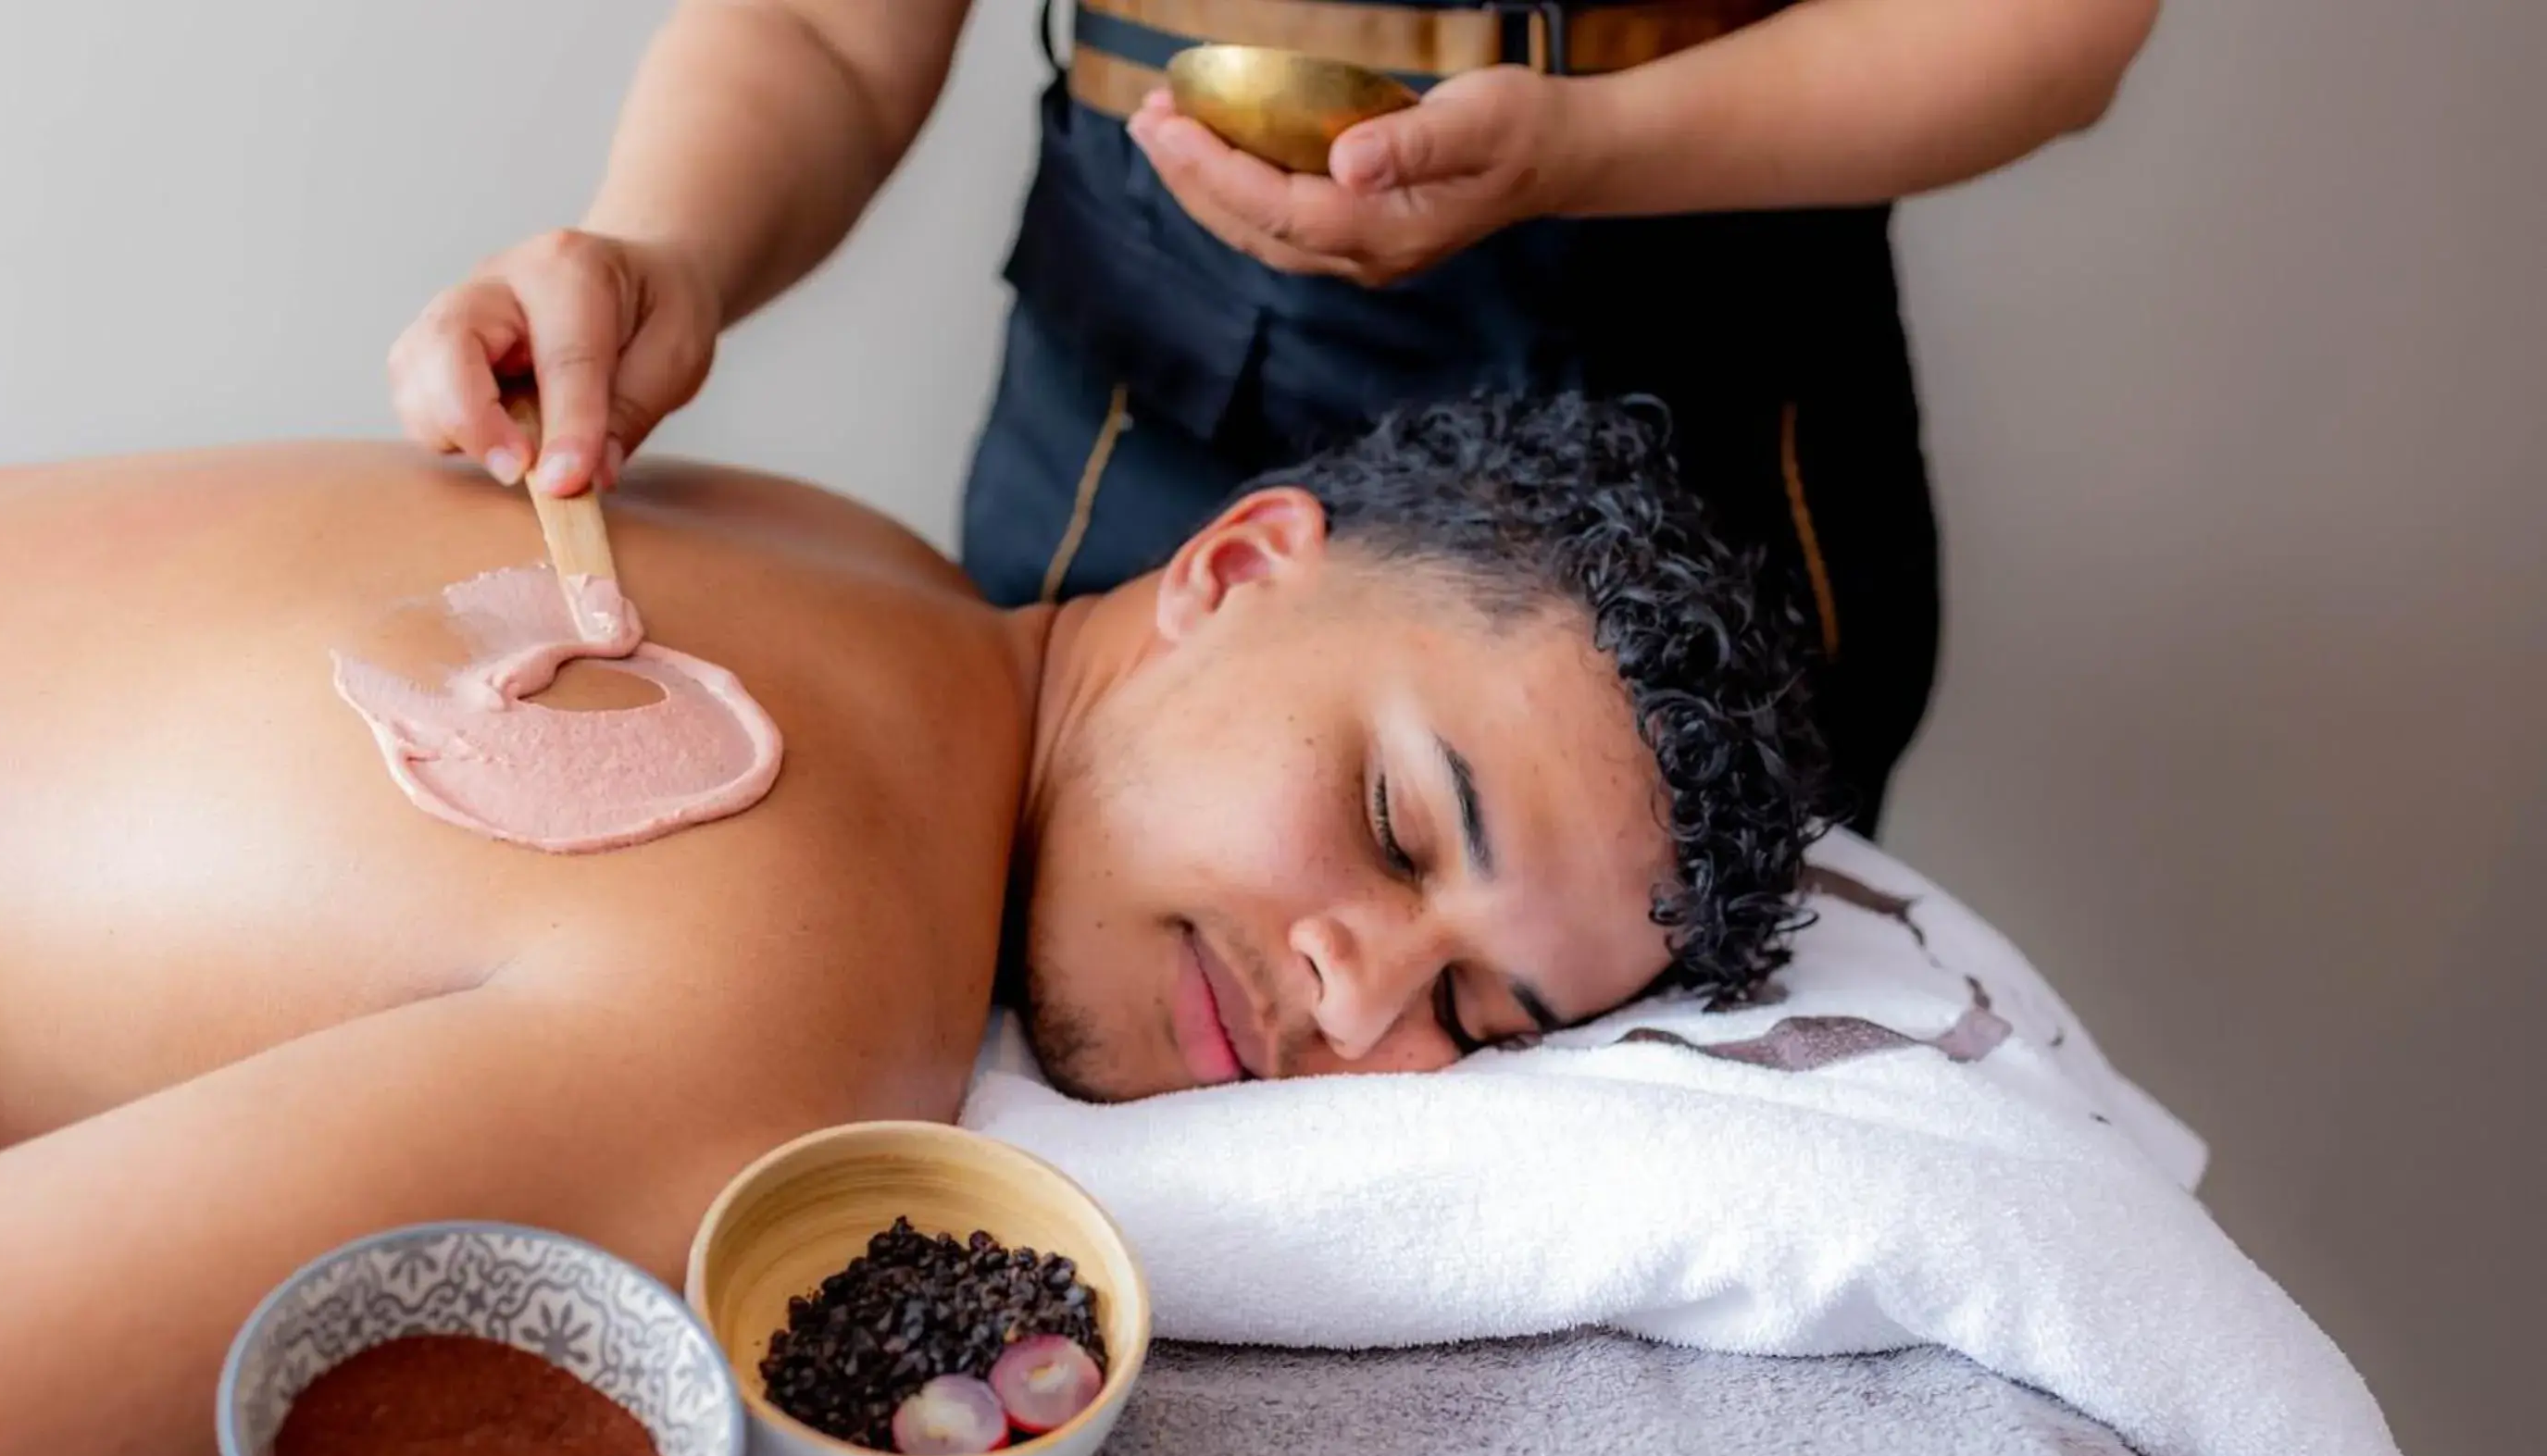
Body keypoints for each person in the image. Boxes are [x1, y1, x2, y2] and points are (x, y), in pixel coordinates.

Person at [0, 392, 1823, 1456]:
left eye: (1473, 1010)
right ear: (1241, 560)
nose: (1352, 993)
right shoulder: (801, 1005)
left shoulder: (852, 556)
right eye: (1390, 823)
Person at [388, 0, 2160, 834]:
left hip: (1709, 382)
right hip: (1152, 403)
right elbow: (821, 31)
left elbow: (2049, 23)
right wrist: (667, 243)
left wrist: (1601, 146)